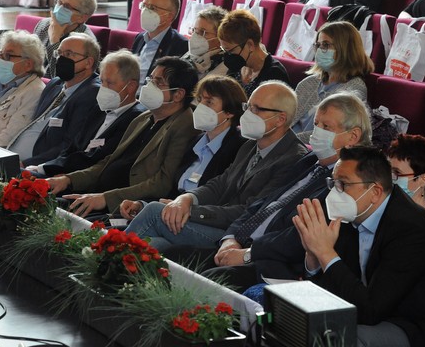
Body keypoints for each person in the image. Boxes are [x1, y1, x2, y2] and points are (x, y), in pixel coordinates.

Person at [293, 146, 425, 347]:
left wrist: (326, 252)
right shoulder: (353, 213)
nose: (335, 192)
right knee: (296, 318)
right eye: (333, 183)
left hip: (424, 325)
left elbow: (370, 311)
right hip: (379, 309)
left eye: (343, 184)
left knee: (339, 338)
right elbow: (341, 286)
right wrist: (314, 255)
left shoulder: (413, 230)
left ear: (375, 191)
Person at [200, 92, 373, 290]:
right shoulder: (308, 161)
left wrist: (249, 253)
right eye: (316, 124)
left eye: (326, 127)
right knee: (175, 255)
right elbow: (261, 203)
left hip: (276, 265)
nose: (317, 132)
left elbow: (299, 238)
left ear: (353, 136)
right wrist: (230, 239)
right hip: (242, 244)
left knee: (209, 282)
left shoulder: (350, 181)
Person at [123, 80, 308, 251]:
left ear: (280, 119)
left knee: (155, 212)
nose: (248, 114)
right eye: (248, 107)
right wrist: (187, 199)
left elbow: (251, 211)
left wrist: (191, 211)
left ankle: (103, 260)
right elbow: (221, 183)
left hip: (235, 238)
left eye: (257, 109)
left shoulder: (293, 159)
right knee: (154, 245)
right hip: (216, 222)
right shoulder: (251, 144)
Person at [46, 57, 200, 216]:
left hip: (124, 206)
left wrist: (105, 198)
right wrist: (69, 179)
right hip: (98, 193)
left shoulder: (185, 126)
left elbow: (162, 183)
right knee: (40, 201)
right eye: (150, 79)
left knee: (54, 217)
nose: (149, 86)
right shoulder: (142, 118)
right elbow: (109, 161)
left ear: (178, 95)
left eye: (158, 82)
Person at [119, 75, 247, 214]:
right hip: (170, 212)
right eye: (200, 100)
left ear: (229, 112)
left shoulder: (239, 148)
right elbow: (172, 193)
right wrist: (142, 204)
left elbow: (221, 198)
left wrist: (181, 208)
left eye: (209, 102)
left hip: (198, 218)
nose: (201, 106)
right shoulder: (195, 141)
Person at [25, 50, 145, 177]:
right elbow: (72, 148)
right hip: (64, 172)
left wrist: (51, 170)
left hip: (86, 182)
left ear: (131, 86)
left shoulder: (135, 119)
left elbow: (96, 158)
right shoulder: (98, 109)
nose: (103, 88)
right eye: (101, 81)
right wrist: (46, 167)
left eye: (109, 83)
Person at [7, 33, 102, 166]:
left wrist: (26, 164)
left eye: (68, 54)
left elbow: (69, 146)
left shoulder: (92, 94)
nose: (61, 59)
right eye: (59, 53)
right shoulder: (56, 83)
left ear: (88, 62)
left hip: (35, 166)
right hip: (10, 153)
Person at [292, 21, 373, 144]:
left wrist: (285, 141)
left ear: (345, 49)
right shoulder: (308, 83)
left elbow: (332, 134)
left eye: (326, 45)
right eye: (318, 45)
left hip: (314, 150)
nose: (319, 50)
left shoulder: (354, 89)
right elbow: (287, 120)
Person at [219, 9, 289, 97]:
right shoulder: (237, 67)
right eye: (224, 50)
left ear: (250, 45)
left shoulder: (274, 75)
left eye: (230, 51)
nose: (227, 56)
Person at [34, 0, 98, 78]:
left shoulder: (84, 42)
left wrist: (54, 41)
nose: (59, 9)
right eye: (59, 2)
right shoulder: (44, 24)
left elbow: (60, 79)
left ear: (81, 17)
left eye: (67, 7)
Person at [131, 0, 189, 82]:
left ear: (169, 16)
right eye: (144, 6)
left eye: (152, 8)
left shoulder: (181, 45)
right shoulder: (140, 38)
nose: (145, 11)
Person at [387, 134, 425, 217]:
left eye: (397, 172)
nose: (389, 177)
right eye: (388, 169)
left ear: (423, 179)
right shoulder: (390, 206)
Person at [182, 6, 229, 79]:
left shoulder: (224, 64)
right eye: (194, 30)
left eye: (202, 32)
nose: (195, 36)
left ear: (219, 38)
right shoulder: (191, 54)